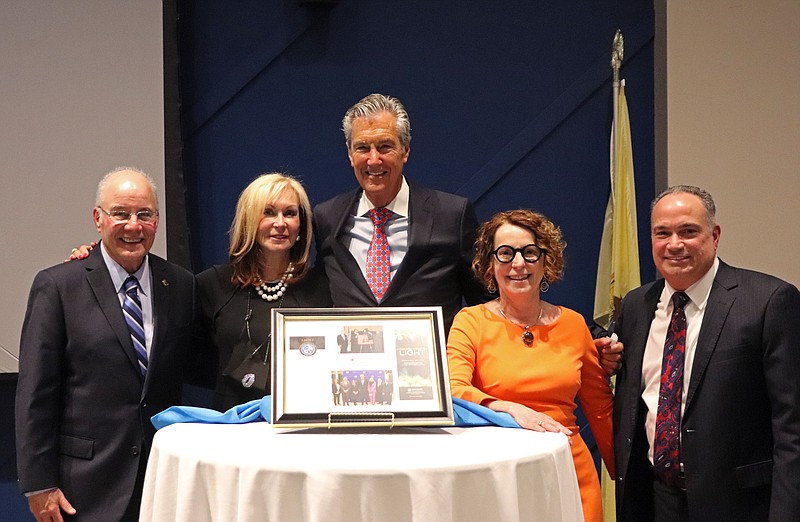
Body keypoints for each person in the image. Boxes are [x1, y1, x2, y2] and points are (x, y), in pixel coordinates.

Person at [15, 167, 200, 522]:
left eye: (144, 214)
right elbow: (35, 393)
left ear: (157, 220)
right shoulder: (58, 286)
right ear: (98, 219)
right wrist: (38, 484)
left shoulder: (179, 285)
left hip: (162, 485)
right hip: (83, 490)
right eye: (121, 214)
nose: (134, 225)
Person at [612, 185, 800, 522]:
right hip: (656, 501)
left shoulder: (769, 301)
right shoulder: (636, 306)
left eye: (688, 231)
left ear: (714, 235)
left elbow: (792, 428)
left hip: (739, 506)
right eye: (662, 233)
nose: (674, 244)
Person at [447, 209, 615, 522]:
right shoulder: (470, 322)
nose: (519, 264)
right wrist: (510, 409)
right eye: (506, 253)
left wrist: (627, 474)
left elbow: (601, 408)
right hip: (497, 475)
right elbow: (454, 390)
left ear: (545, 260)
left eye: (530, 253)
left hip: (569, 471)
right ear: (490, 265)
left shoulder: (574, 324)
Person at [312, 93, 490, 333]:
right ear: (349, 153)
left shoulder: (452, 215)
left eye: (385, 147)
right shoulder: (327, 217)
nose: (373, 160)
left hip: (431, 366)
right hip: (353, 365)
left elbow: (485, 304)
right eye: (362, 148)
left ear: (405, 150)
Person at [195, 173, 332, 411]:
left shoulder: (323, 288)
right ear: (249, 220)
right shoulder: (212, 285)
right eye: (268, 212)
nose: (280, 223)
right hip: (231, 428)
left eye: (290, 213)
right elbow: (195, 362)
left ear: (301, 225)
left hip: (302, 426)